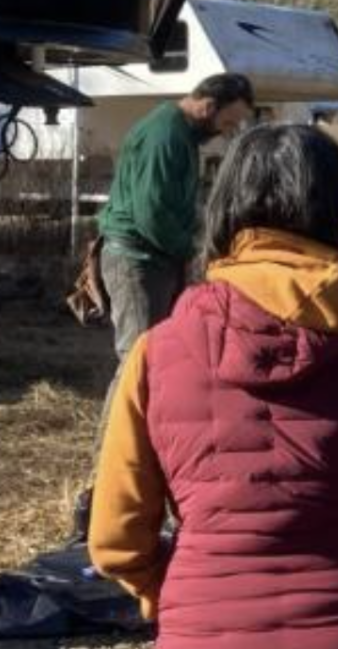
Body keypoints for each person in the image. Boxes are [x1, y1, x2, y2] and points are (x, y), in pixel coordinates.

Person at [89, 124, 338, 649]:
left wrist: (181, 598)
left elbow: (116, 539)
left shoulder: (154, 355)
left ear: (224, 207)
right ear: (335, 212)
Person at [93, 73, 254, 421]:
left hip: (155, 257)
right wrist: (194, 252)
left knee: (158, 359)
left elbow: (175, 204)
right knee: (138, 361)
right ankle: (108, 460)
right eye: (227, 122)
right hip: (137, 259)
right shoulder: (164, 136)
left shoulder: (181, 135)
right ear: (208, 106)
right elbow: (152, 215)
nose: (227, 131)